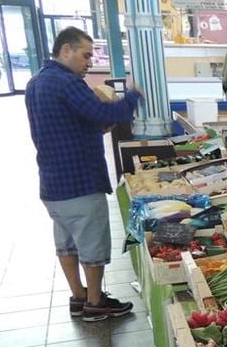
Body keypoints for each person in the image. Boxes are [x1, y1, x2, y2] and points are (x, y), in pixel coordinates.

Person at [25, 27, 143, 322]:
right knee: (92, 244)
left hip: (52, 183)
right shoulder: (67, 82)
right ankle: (95, 303)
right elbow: (104, 114)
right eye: (85, 55)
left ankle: (78, 296)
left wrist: (95, 128)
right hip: (79, 181)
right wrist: (132, 96)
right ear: (66, 49)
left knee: (66, 243)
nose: (89, 62)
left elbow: (64, 125)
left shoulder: (36, 82)